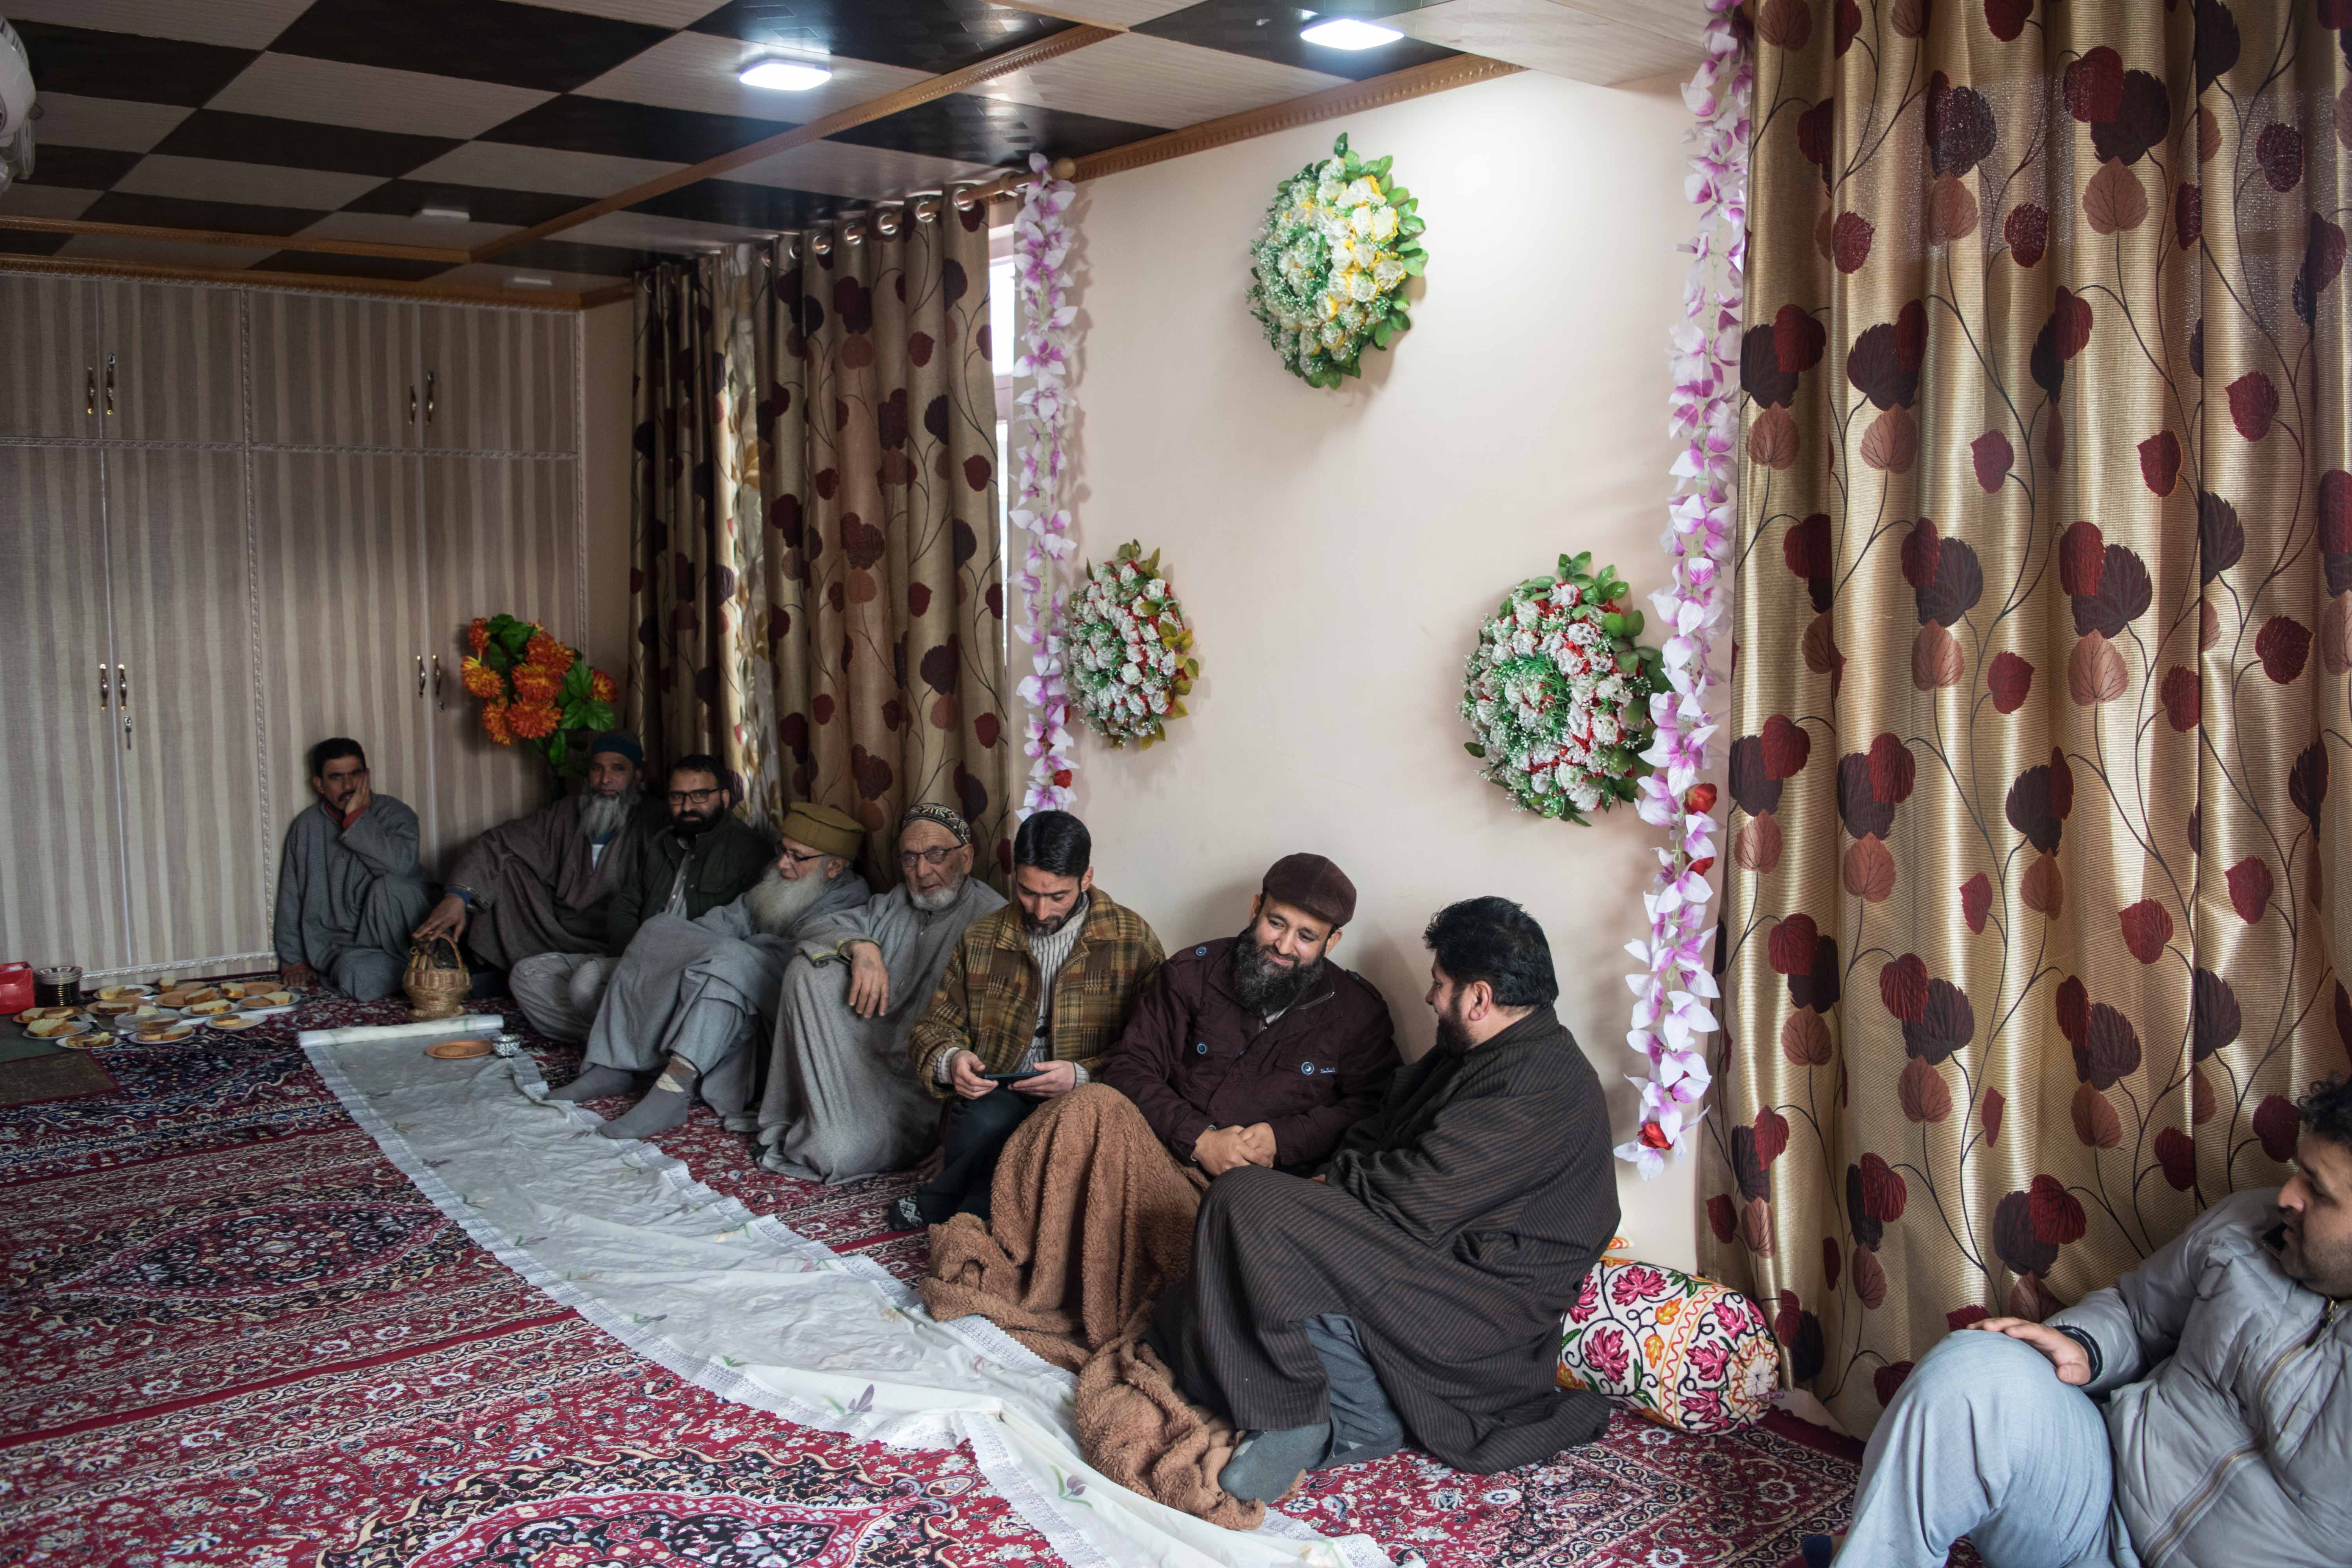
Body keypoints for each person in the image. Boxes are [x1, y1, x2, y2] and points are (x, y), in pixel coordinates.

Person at [1149, 895, 1618, 1504]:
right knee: (1184, 1307)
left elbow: (1421, 1195)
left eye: (1440, 984)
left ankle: (1298, 1411)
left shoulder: (1542, 1081)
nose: (1429, 997)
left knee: (1242, 1204)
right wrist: (1326, 1185)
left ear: (1478, 998)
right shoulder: (1475, 1052)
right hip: (1427, 1251)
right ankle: (1359, 1405)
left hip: (1480, 1302)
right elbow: (1376, 1130)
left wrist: (1318, 1193)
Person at [1806, 1074, 2352, 1568]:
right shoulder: (2247, 1226)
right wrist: (2084, 1345)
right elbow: (2138, 1312)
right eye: (2297, 1172)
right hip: (2095, 1508)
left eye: (2317, 1190)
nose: (2287, 1196)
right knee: (1975, 1372)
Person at [920, 854, 1397, 1365]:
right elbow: (1130, 1069)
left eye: (1307, 936)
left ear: (1332, 942)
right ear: (1256, 908)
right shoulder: (1191, 973)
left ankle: (1152, 1305)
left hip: (1253, 1199)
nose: (1285, 946)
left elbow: (1376, 1110)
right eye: (1276, 923)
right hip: (1159, 1159)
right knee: (1090, 1103)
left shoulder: (1358, 1011)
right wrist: (1200, 1138)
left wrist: (1286, 1140)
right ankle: (1041, 1269)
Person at [897, 810, 1163, 1228]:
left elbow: (1153, 1049)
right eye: (1026, 892)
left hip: (1085, 1098)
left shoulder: (1133, 941)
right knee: (988, 1119)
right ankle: (972, 1218)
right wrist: (951, 1060)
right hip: (999, 1088)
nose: (1040, 910)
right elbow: (933, 1027)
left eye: (1057, 896)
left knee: (1057, 1137)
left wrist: (1081, 1075)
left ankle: (953, 1212)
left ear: (1087, 879)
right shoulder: (982, 938)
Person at [549, 800, 869, 1141]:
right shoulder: (778, 885)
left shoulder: (849, 904)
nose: (782, 863)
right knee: (658, 930)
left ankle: (672, 1093)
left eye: (797, 857)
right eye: (783, 850)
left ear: (834, 867)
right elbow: (717, 925)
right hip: (731, 979)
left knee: (727, 967)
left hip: (775, 1023)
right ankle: (611, 1064)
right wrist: (696, 949)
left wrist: (718, 954)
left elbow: (789, 964)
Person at [754, 804, 1007, 1183]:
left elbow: (998, 1046)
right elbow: (818, 925)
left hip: (921, 1096)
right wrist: (861, 946)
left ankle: (834, 1131)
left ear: (966, 858)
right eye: (910, 858)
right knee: (809, 971)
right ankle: (804, 1115)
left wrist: (958, 1140)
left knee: (832, 1153)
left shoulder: (992, 921)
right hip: (858, 1063)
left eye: (936, 855)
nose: (922, 872)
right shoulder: (895, 902)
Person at [509, 754, 771, 1042]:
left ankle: (624, 1041)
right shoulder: (664, 842)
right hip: (637, 955)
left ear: (723, 797)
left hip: (689, 969)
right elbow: (627, 903)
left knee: (585, 984)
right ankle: (638, 1043)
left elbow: (743, 932)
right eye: (677, 797)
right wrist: (634, 952)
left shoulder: (748, 849)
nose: (687, 807)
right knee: (528, 974)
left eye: (699, 796)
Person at [411, 731, 653, 980]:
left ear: (638, 774)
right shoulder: (566, 812)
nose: (605, 780)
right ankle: (495, 968)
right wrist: (457, 897)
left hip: (617, 937)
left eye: (617, 769)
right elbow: (498, 842)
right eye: (597, 769)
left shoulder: (654, 820)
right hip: (555, 931)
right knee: (507, 866)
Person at [273, 738, 431, 1001]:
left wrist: (357, 817)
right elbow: (291, 895)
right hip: (346, 949)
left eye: (355, 774)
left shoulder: (395, 813)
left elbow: (403, 868)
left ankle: (429, 969)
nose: (348, 785)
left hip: (404, 939)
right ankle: (431, 976)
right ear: (319, 785)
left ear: (367, 777)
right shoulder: (307, 826)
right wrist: (294, 961)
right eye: (336, 777)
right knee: (355, 975)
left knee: (391, 887)